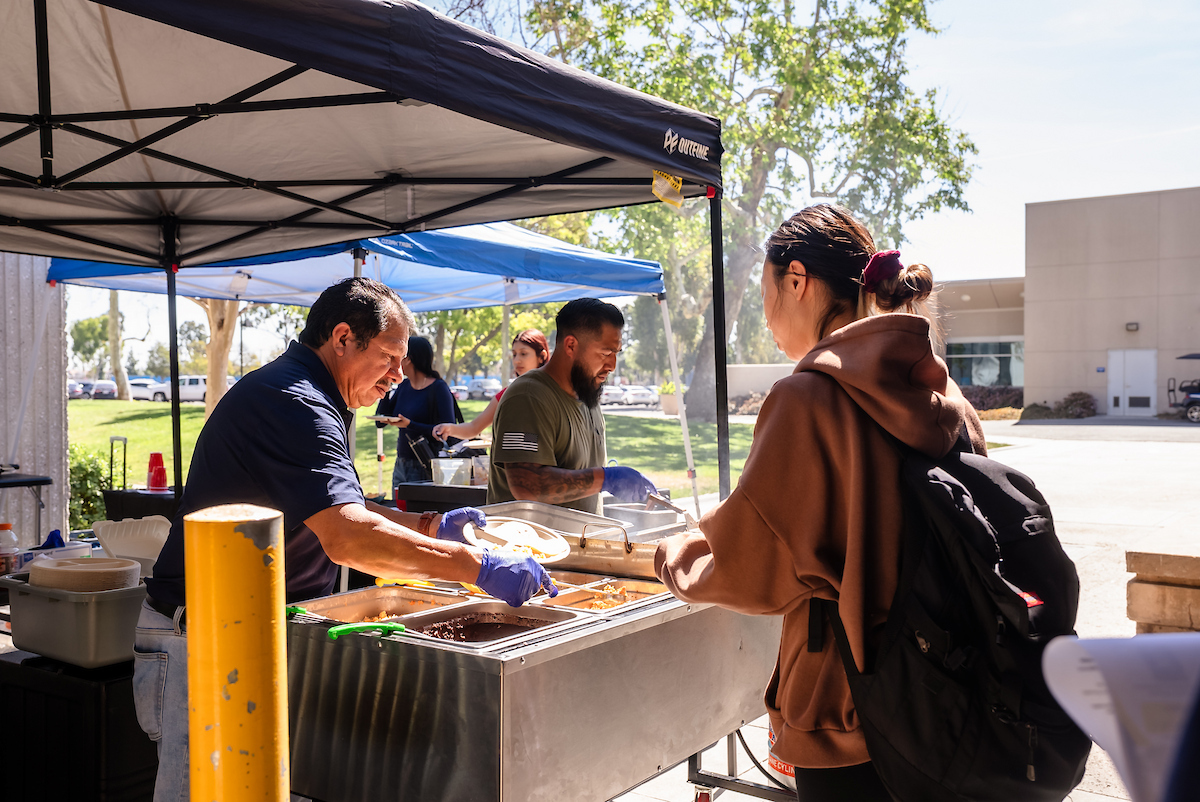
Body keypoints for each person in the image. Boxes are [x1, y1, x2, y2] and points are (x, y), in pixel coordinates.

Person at [134, 277, 554, 802]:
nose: (398, 376)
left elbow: (337, 508)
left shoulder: (311, 395)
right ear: (342, 338)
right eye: (389, 358)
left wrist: (429, 526)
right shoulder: (296, 402)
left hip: (252, 633)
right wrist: (478, 566)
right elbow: (348, 537)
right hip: (204, 640)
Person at [653, 204, 987, 801]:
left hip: (847, 711)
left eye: (766, 293)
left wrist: (673, 555)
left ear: (797, 280)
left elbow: (753, 562)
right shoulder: (945, 395)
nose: (767, 315)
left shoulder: (808, 398)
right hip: (950, 690)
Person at [487, 298, 656, 514]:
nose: (612, 365)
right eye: (605, 353)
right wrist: (607, 478)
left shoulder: (588, 396)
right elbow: (527, 485)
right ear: (571, 345)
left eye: (616, 354)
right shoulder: (528, 397)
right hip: (526, 546)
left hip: (580, 542)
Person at [432, 329, 550, 443]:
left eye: (523, 354)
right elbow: (474, 427)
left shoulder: (555, 392)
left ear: (542, 356)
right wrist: (449, 428)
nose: (517, 360)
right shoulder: (506, 394)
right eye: (514, 355)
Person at [373, 335, 456, 484]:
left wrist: (410, 425)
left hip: (426, 464)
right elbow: (380, 421)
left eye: (398, 357)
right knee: (397, 506)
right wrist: (386, 383)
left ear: (408, 358)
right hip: (401, 463)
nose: (394, 362)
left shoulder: (438, 389)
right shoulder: (404, 386)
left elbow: (449, 433)